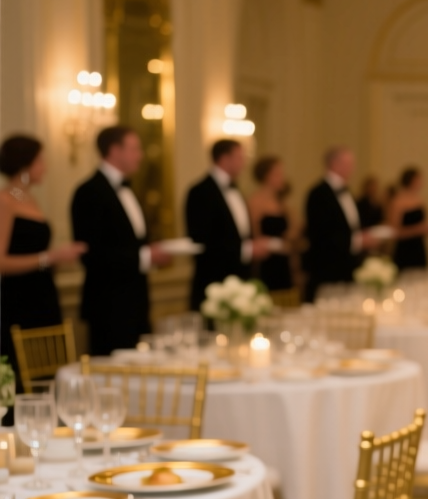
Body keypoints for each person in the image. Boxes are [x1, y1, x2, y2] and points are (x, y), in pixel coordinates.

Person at [72, 126, 174, 354]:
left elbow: (129, 243)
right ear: (114, 151)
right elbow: (92, 254)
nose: (141, 155)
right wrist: (146, 255)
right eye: (135, 148)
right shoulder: (89, 192)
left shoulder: (130, 190)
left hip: (137, 300)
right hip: (108, 305)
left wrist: (150, 253)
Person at [1, 135, 86, 373]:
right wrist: (50, 257)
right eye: (41, 160)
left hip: (43, 294)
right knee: (24, 372)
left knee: (52, 370)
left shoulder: (24, 198)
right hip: (18, 300)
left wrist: (57, 259)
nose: (45, 166)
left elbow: (35, 254)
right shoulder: (5, 201)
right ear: (25, 164)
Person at [186, 140, 270, 311]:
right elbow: (203, 241)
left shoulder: (236, 190)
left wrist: (254, 244)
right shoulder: (200, 192)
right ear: (224, 159)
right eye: (239, 157)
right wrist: (247, 250)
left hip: (242, 281)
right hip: (214, 285)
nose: (244, 163)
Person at [302, 146, 367, 303]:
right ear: (334, 164)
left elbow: (348, 226)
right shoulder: (318, 193)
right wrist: (358, 241)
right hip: (328, 270)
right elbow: (321, 234)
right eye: (348, 163)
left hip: (348, 266)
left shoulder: (346, 191)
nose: (353, 168)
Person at [247, 156, 295, 293]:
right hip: (266, 263)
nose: (282, 178)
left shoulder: (282, 203)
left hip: (283, 261)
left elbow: (290, 231)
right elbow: (253, 235)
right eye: (278, 174)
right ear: (266, 176)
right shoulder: (255, 202)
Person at [386, 166, 428, 271]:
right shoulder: (398, 201)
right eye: (419, 179)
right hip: (405, 250)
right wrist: (419, 230)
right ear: (411, 181)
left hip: (419, 247)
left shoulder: (419, 199)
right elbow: (394, 232)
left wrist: (427, 228)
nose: (421, 182)